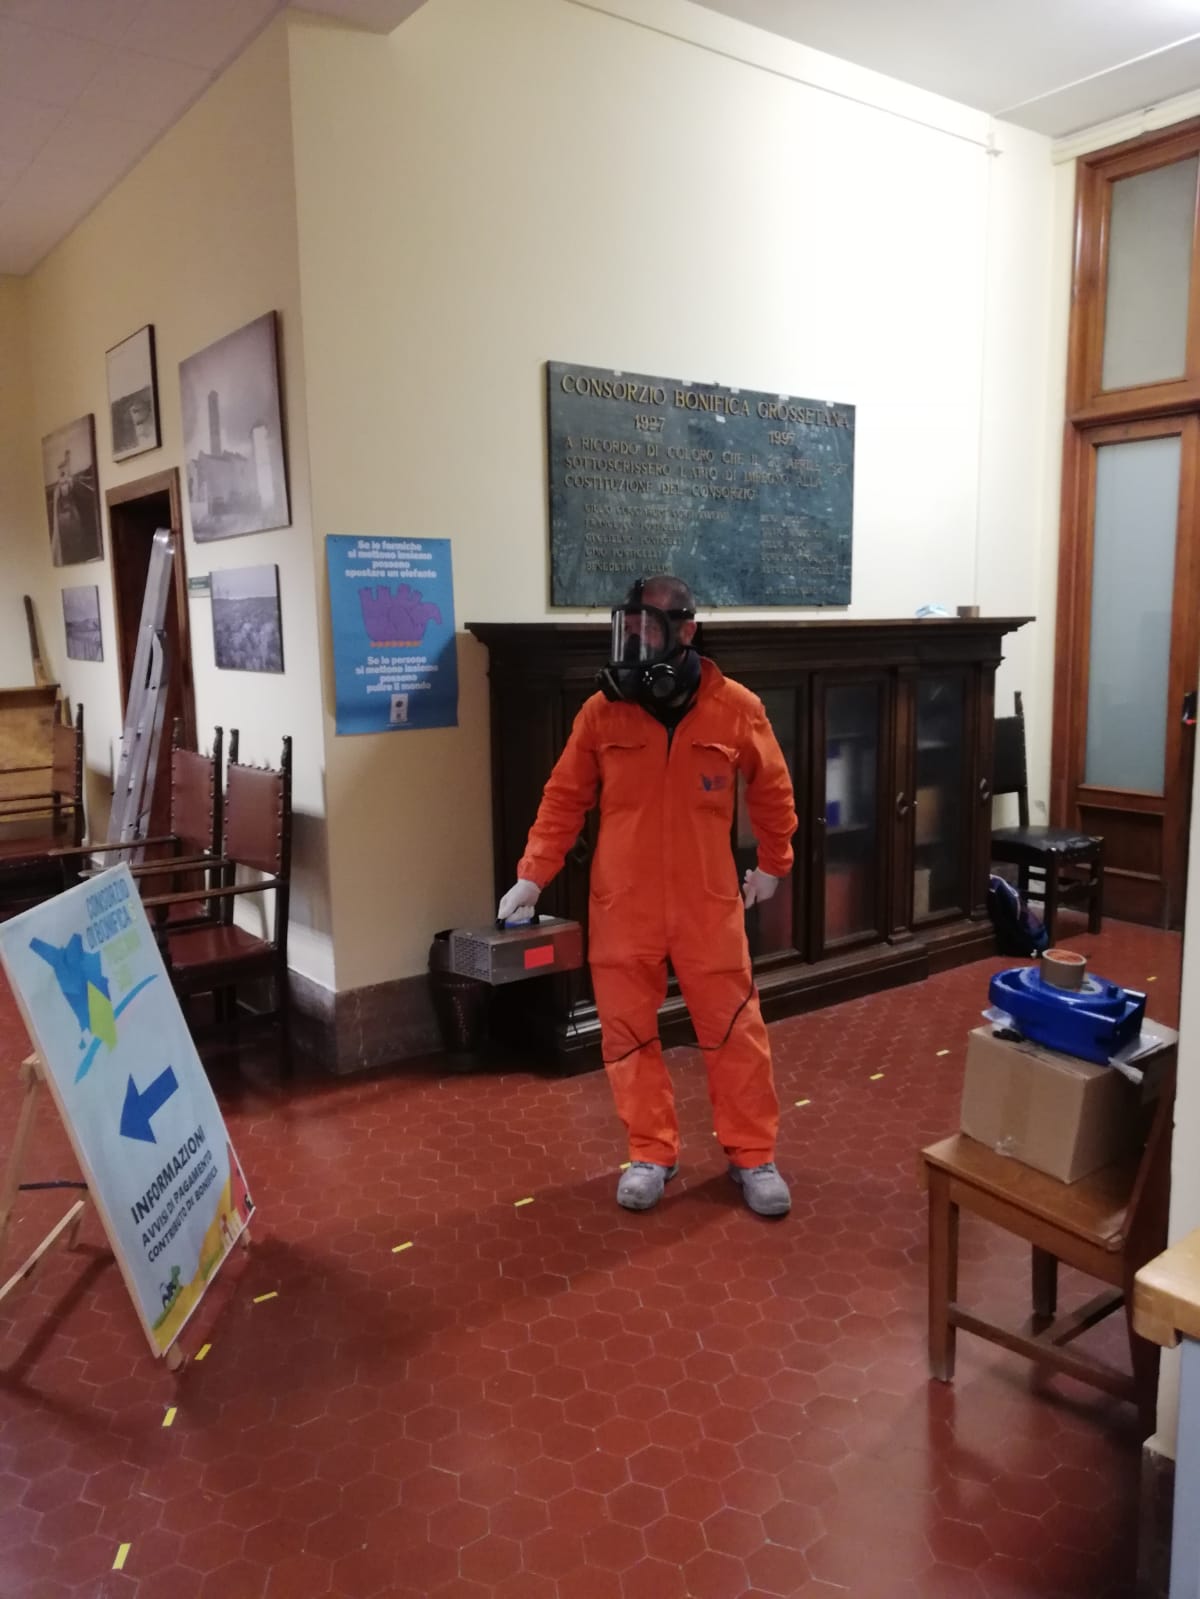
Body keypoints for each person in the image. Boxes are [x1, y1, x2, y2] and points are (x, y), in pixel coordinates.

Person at [497, 574, 798, 1217]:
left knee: (734, 1030)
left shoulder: (736, 708)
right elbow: (563, 798)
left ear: (686, 631)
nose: (635, 641)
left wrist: (774, 864)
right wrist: (533, 874)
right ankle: (650, 1152)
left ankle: (753, 1154)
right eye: (628, 628)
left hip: (707, 906)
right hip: (623, 906)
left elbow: (772, 790)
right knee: (628, 1035)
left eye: (649, 628)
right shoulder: (601, 713)